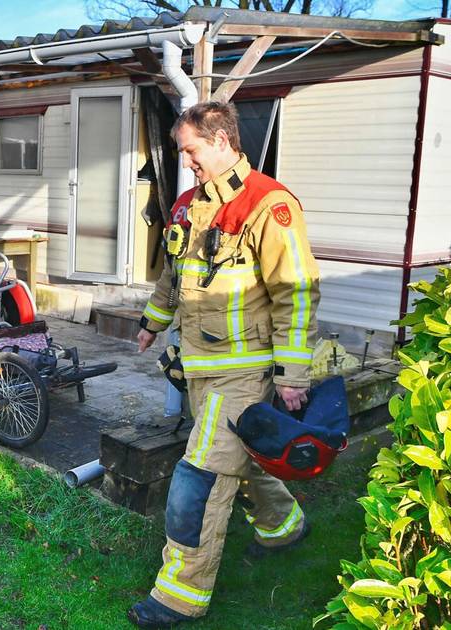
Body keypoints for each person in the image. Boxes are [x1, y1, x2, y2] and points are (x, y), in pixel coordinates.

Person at [129, 101, 321, 628]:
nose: (185, 161)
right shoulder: (189, 206)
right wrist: (151, 323)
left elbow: (296, 294)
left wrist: (292, 376)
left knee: (202, 477)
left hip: (243, 373)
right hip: (200, 367)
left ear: (220, 141)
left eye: (190, 150)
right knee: (246, 456)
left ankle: (179, 596)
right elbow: (174, 273)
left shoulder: (269, 204)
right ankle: (284, 528)